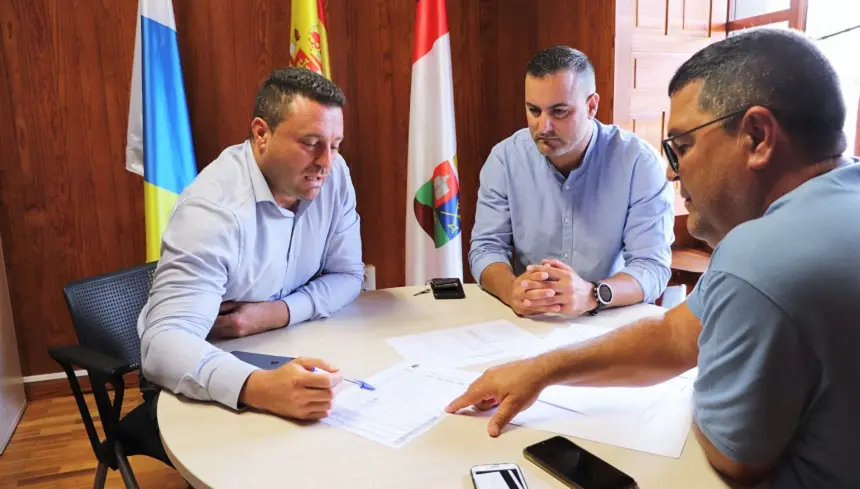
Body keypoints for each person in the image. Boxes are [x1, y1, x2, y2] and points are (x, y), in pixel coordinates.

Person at [447, 28, 860, 489]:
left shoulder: (760, 256)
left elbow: (734, 456)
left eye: (681, 146)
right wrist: (540, 371)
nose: (673, 170)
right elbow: (676, 335)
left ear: (758, 137)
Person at [138, 67, 365, 421]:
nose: (326, 162)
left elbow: (349, 274)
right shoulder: (212, 211)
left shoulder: (335, 177)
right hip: (213, 376)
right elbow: (162, 346)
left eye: (335, 145)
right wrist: (258, 388)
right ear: (261, 134)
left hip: (290, 344)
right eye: (310, 143)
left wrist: (274, 314)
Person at [469, 46, 674, 319]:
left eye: (559, 112)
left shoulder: (638, 163)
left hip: (608, 315)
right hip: (531, 319)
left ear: (592, 106)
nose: (544, 127)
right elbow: (486, 248)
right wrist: (512, 291)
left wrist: (592, 294)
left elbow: (652, 266)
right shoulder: (505, 158)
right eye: (534, 111)